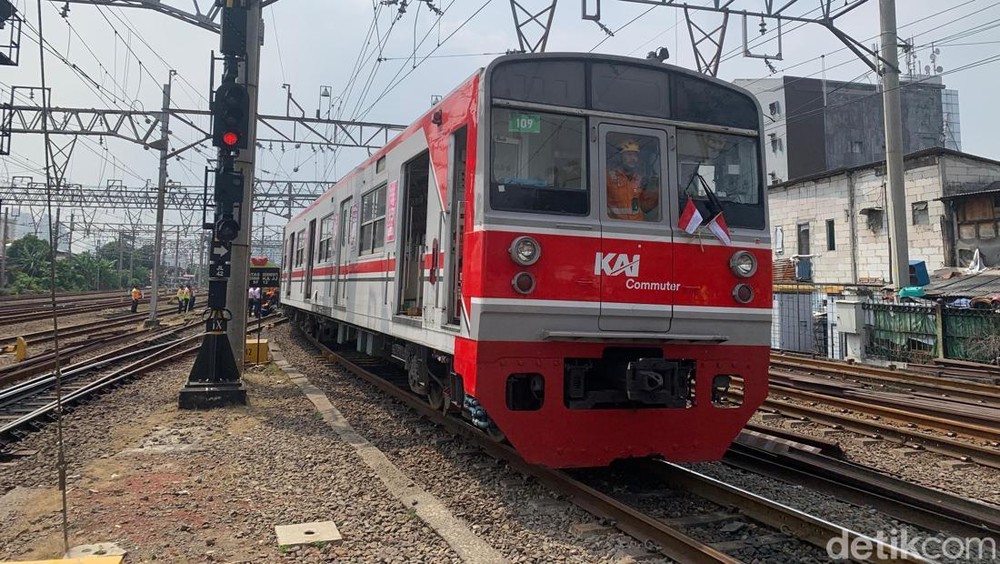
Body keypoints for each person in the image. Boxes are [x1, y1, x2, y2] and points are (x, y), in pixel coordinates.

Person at [606, 138, 658, 221]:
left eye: (635, 155)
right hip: (615, 227)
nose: (633, 158)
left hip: (637, 226)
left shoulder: (640, 179)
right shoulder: (609, 177)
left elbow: (644, 206)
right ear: (621, 158)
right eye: (629, 155)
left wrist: (657, 194)